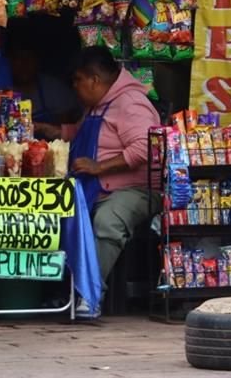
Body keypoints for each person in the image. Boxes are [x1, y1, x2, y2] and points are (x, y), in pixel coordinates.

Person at [64, 47, 160, 318]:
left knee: (107, 222)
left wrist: (99, 167)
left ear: (94, 80)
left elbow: (145, 147)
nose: (75, 87)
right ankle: (62, 291)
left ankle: (90, 294)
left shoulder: (130, 103)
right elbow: (82, 133)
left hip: (135, 189)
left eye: (77, 80)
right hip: (95, 187)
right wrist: (51, 131)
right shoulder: (98, 105)